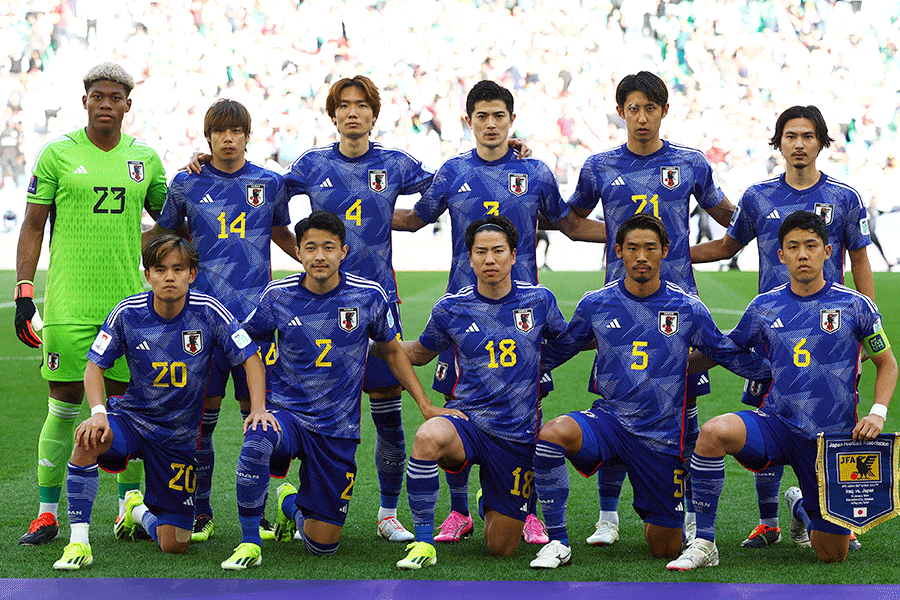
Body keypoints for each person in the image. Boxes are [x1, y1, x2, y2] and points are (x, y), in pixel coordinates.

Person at [392, 79, 604, 544]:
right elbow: (414, 218)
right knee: (456, 404)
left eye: (499, 116)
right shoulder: (450, 173)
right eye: (482, 117)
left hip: (522, 312)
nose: (491, 125)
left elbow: (568, 223)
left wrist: (627, 237)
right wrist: (356, 212)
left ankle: (522, 506)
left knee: (525, 405)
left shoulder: (536, 172)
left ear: (512, 119)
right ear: (468, 121)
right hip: (461, 314)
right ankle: (458, 510)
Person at [528, 214, 769, 569]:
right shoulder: (595, 303)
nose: (641, 256)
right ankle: (558, 541)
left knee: (665, 547)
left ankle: (665, 517)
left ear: (665, 252)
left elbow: (727, 354)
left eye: (650, 248)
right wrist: (508, 370)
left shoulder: (687, 307)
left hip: (661, 438)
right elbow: (560, 350)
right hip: (609, 423)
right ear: (618, 252)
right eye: (633, 248)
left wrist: (782, 370)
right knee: (553, 433)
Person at [668, 210, 897, 571]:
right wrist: (673, 360)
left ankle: (800, 505)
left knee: (831, 554)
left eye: (811, 246)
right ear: (781, 255)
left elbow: (887, 363)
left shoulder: (856, 305)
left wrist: (876, 412)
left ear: (827, 251)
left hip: (830, 441)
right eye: (793, 247)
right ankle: (705, 541)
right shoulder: (764, 306)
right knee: (712, 433)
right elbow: (727, 349)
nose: (802, 254)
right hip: (776, 424)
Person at [690, 106, 874, 550]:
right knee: (767, 415)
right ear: (779, 143)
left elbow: (861, 259)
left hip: (830, 334)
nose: (798, 144)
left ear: (820, 143)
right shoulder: (757, 197)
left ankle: (813, 510)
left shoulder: (845, 198)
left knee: (825, 424)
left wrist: (866, 335)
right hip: (770, 330)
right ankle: (769, 521)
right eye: (790, 136)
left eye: (807, 136)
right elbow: (726, 245)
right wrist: (672, 254)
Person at [567, 71, 736, 546]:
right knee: (617, 406)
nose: (642, 117)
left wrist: (696, 252)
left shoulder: (690, 163)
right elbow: (572, 221)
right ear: (620, 112)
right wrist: (627, 244)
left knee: (684, 409)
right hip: (618, 307)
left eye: (651, 108)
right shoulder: (599, 165)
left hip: (680, 311)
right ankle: (607, 518)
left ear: (664, 111)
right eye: (633, 108)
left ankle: (685, 510)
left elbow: (733, 219)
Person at [220, 210, 438, 570]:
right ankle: (250, 541)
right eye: (310, 248)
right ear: (299, 253)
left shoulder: (368, 296)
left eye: (328, 247)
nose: (319, 256)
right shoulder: (277, 295)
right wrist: (259, 406)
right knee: (258, 437)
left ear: (343, 252)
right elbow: (247, 346)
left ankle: (290, 504)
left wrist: (426, 405)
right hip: (288, 417)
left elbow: (391, 351)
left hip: (337, 430)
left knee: (322, 546)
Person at [16, 62, 167, 545]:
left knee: (127, 411)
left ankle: (128, 508)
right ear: (85, 102)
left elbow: (172, 221)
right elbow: (34, 225)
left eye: (115, 97)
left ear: (127, 104)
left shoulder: (144, 158)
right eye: (97, 96)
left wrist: (198, 175)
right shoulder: (57, 155)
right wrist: (24, 292)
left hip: (128, 309)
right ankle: (46, 512)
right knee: (62, 407)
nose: (106, 103)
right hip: (68, 308)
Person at [52, 235, 267, 570]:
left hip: (177, 441)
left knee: (175, 544)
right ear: (148, 274)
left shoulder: (210, 312)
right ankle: (78, 542)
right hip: (133, 422)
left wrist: (257, 408)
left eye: (178, 269)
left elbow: (250, 357)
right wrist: (97, 413)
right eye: (161, 268)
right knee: (87, 437)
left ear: (192, 274)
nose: (170, 276)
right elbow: (94, 366)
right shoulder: (128, 312)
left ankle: (136, 511)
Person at [147, 98, 297, 543]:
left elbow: (280, 232)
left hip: (258, 320)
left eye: (236, 131)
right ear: (208, 136)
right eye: (220, 132)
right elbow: (167, 240)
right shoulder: (186, 183)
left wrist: (311, 266)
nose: (228, 139)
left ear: (248, 135)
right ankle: (200, 510)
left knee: (260, 418)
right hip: (202, 322)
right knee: (202, 420)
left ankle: (264, 513)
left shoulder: (270, 183)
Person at [387, 216, 569, 569]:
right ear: (468, 258)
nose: (490, 260)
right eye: (481, 252)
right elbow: (418, 354)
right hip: (466, 423)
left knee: (502, 548)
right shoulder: (450, 308)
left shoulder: (540, 300)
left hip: (516, 435)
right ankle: (424, 543)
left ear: (514, 255)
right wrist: (368, 344)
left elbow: (569, 340)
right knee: (427, 437)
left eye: (498, 251)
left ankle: (492, 498)